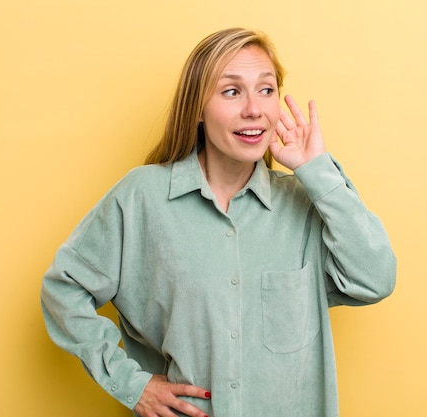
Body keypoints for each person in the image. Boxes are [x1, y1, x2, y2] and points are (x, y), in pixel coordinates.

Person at [41, 27, 396, 417]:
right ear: (197, 107)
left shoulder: (307, 202)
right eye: (231, 91)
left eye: (266, 90)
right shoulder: (142, 198)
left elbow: (374, 279)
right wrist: (132, 385)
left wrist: (318, 172)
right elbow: (64, 289)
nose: (254, 109)